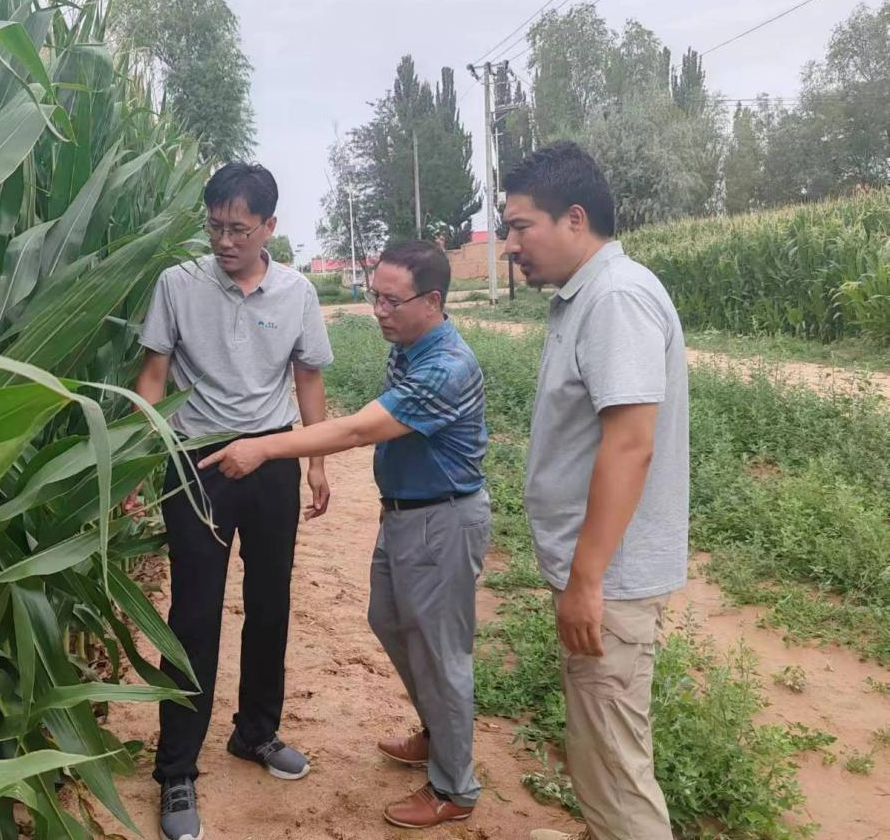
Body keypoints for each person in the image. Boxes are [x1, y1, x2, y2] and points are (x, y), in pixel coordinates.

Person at [201, 239, 491, 830]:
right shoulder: (408, 345)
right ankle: (440, 733)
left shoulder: (445, 366)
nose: (378, 310)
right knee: (389, 623)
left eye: (391, 300)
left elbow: (359, 430)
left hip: (443, 520)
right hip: (407, 515)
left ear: (433, 301)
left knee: (440, 652)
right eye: (373, 295)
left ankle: (454, 788)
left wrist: (264, 447)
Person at [132, 162, 333, 840]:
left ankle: (255, 733)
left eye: (238, 229)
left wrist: (315, 462)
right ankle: (176, 771)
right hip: (196, 464)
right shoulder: (177, 285)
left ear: (269, 228)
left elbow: (307, 378)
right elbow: (153, 375)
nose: (223, 241)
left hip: (272, 459)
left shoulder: (296, 292)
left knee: (270, 603)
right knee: (192, 614)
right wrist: (136, 460)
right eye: (214, 226)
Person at [500, 142, 689, 840]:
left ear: (573, 218)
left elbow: (630, 443)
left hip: (609, 578)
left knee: (614, 760)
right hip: (598, 573)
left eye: (520, 227)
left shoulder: (615, 298)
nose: (510, 247)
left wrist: (585, 580)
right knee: (598, 742)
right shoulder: (586, 297)